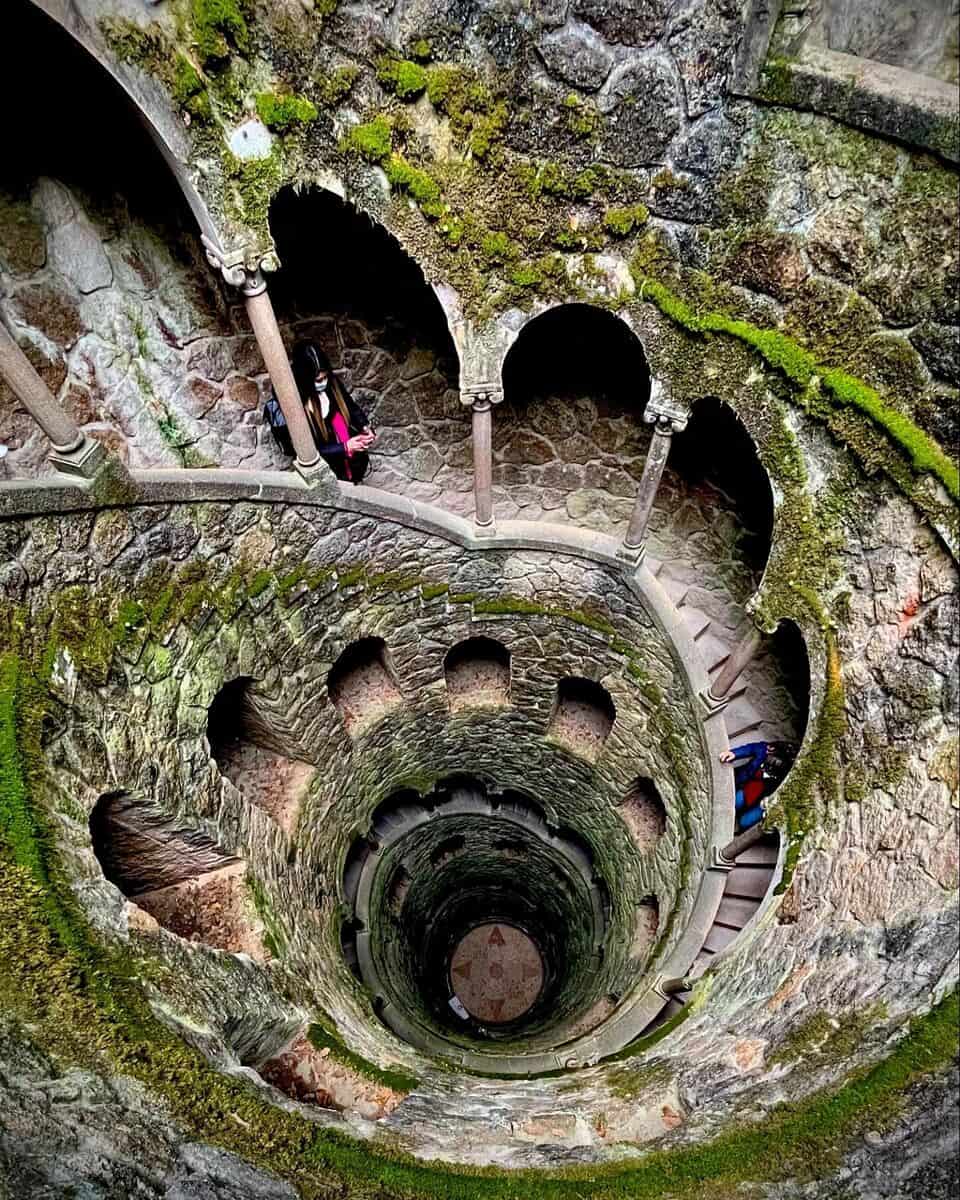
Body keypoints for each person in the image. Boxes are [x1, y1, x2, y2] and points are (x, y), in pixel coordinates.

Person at [265, 341, 376, 482]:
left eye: (325, 377)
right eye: (318, 380)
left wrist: (365, 427)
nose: (323, 382)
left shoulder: (331, 384)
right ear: (305, 379)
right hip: (324, 468)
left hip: (348, 464)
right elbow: (306, 452)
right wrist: (345, 447)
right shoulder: (293, 405)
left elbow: (350, 406)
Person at [719, 741, 796, 831]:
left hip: (762, 800)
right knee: (734, 802)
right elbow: (749, 748)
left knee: (744, 822)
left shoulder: (783, 778)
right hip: (747, 787)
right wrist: (733, 753)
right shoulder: (764, 750)